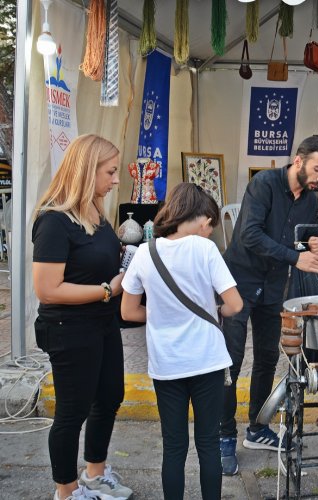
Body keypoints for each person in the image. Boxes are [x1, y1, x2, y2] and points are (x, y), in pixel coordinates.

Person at [220, 136, 318, 475]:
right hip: (239, 282)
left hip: (273, 286)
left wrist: (314, 240)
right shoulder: (264, 184)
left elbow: (304, 233)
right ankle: (224, 437)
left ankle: (257, 429)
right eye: (317, 169)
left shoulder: (311, 198)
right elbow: (250, 236)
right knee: (231, 361)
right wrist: (296, 257)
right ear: (298, 161)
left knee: (268, 358)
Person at [121, 183, 243, 499]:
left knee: (174, 447)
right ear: (201, 217)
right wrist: (216, 309)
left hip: (167, 364)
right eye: (210, 224)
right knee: (207, 443)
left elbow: (129, 311)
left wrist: (162, 311)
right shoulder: (206, 251)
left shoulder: (146, 252)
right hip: (208, 361)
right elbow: (235, 305)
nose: (209, 231)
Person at [31, 134, 133, 500]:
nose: (116, 179)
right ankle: (66, 491)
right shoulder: (54, 221)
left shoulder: (96, 212)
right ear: (87, 171)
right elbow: (48, 289)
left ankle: (95, 473)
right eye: (110, 171)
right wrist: (109, 290)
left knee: (109, 397)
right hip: (68, 328)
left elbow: (97, 260)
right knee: (72, 413)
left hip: (102, 323)